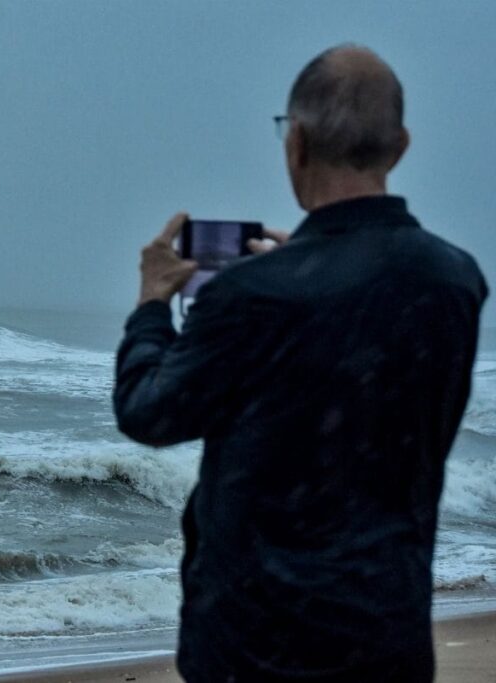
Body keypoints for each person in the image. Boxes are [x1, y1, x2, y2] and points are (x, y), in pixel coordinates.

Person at [114, 44, 488, 682]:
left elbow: (149, 411)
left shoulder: (250, 294)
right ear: (399, 147)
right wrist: (313, 265)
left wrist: (152, 305)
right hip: (389, 636)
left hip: (257, 646)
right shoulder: (455, 279)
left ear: (298, 144)